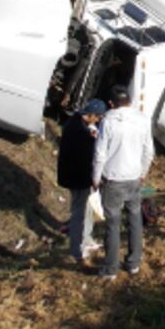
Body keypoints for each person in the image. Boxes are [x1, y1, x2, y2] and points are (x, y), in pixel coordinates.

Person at [94, 84, 154, 281]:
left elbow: (100, 154)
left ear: (111, 103)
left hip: (112, 178)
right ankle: (134, 263)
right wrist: (142, 172)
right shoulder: (143, 120)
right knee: (135, 218)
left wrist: (95, 177)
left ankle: (111, 268)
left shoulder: (108, 122)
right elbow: (148, 151)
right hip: (134, 177)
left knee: (112, 223)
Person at [57, 99, 106, 266]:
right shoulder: (78, 130)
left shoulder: (75, 123)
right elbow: (85, 154)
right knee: (79, 212)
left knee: (86, 210)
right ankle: (77, 250)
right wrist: (92, 140)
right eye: (97, 117)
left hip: (75, 176)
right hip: (77, 178)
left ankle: (86, 239)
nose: (98, 120)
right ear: (91, 114)